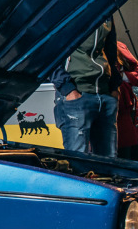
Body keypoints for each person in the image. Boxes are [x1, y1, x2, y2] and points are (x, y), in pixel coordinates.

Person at [50, 20, 121, 156]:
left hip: (105, 95)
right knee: (79, 163)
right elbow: (49, 51)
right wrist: (68, 89)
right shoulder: (64, 5)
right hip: (76, 94)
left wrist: (114, 87)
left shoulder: (107, 10)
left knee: (109, 164)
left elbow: (111, 50)